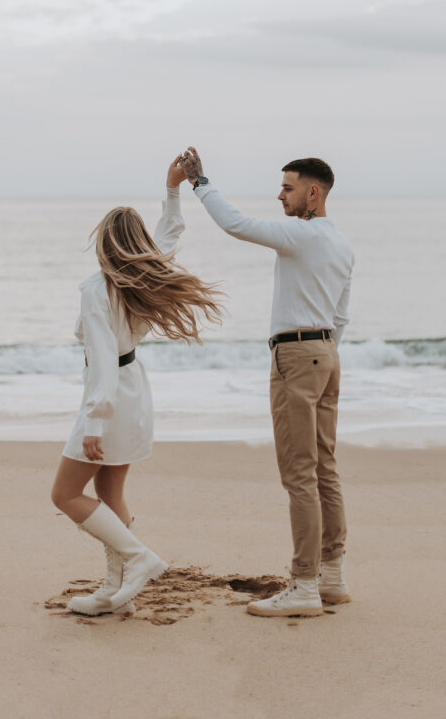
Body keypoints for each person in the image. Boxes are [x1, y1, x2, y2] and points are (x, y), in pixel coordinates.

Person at [181, 147, 354, 618]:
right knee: (324, 468)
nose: (280, 196)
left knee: (299, 472)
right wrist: (322, 351)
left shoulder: (302, 235)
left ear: (313, 193)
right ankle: (331, 575)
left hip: (298, 356)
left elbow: (236, 224)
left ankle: (302, 585)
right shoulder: (340, 244)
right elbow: (340, 315)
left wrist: (200, 183)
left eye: (288, 187)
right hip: (326, 354)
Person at [51, 155, 222, 616]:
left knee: (64, 494)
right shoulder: (141, 278)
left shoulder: (96, 288)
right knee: (110, 495)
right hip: (134, 392)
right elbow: (169, 236)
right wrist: (171, 191)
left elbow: (102, 359)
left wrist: (94, 420)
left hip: (107, 400)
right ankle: (112, 588)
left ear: (104, 243)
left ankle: (137, 559)